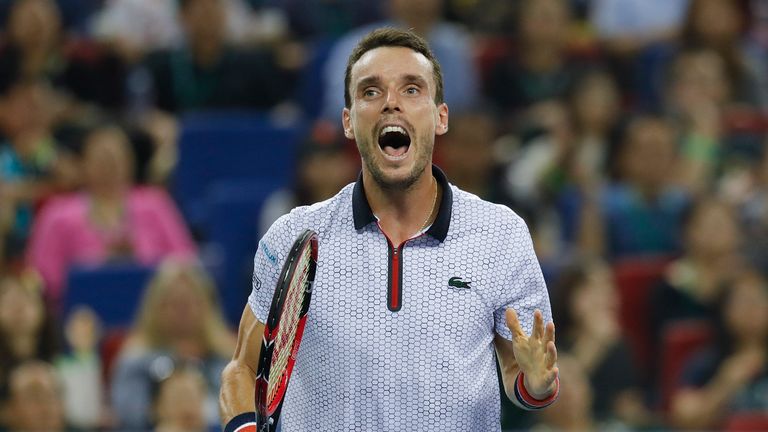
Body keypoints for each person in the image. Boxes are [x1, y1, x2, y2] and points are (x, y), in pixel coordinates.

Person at [220, 28, 559, 431]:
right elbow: (242, 369)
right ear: (348, 122)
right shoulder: (294, 235)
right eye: (370, 92)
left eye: (412, 90)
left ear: (440, 116)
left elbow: (518, 370)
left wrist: (536, 385)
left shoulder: (500, 234)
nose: (391, 104)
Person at [25, 125, 196, 310]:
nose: (109, 167)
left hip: (153, 312)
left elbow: (185, 262)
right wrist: (101, 265)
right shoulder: (57, 214)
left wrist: (135, 259)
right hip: (81, 314)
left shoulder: (155, 204)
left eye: (116, 159)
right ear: (84, 163)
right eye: (102, 160)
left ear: (130, 163)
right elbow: (41, 276)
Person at [111, 259, 235, 431]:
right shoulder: (135, 361)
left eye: (188, 303)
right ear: (155, 309)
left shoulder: (229, 359)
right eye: (173, 304)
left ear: (206, 306)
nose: (182, 313)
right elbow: (129, 418)